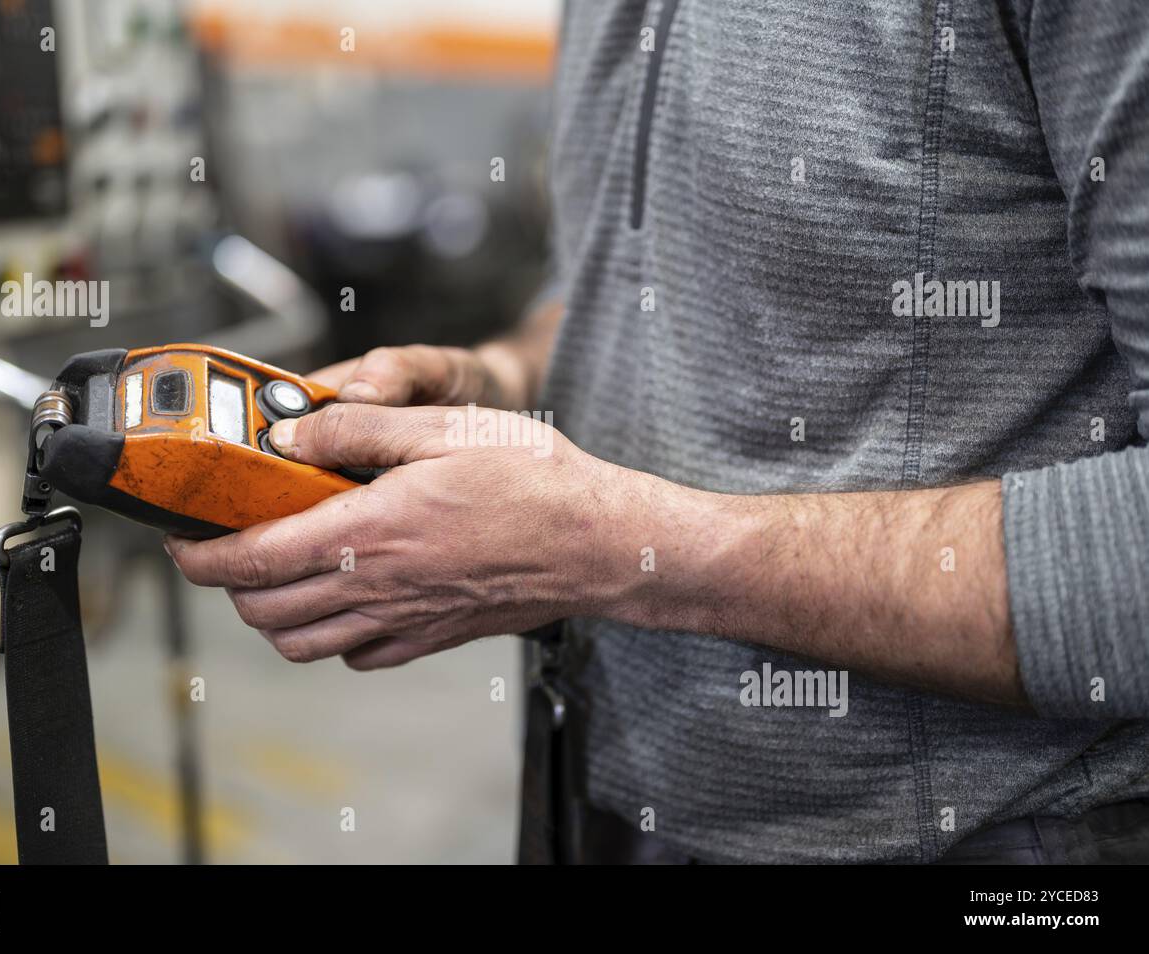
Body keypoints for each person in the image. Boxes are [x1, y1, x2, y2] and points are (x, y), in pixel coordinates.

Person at [166, 0, 1149, 863]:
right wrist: (502, 377)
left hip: (987, 835)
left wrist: (614, 552)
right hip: (614, 785)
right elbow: (634, 273)